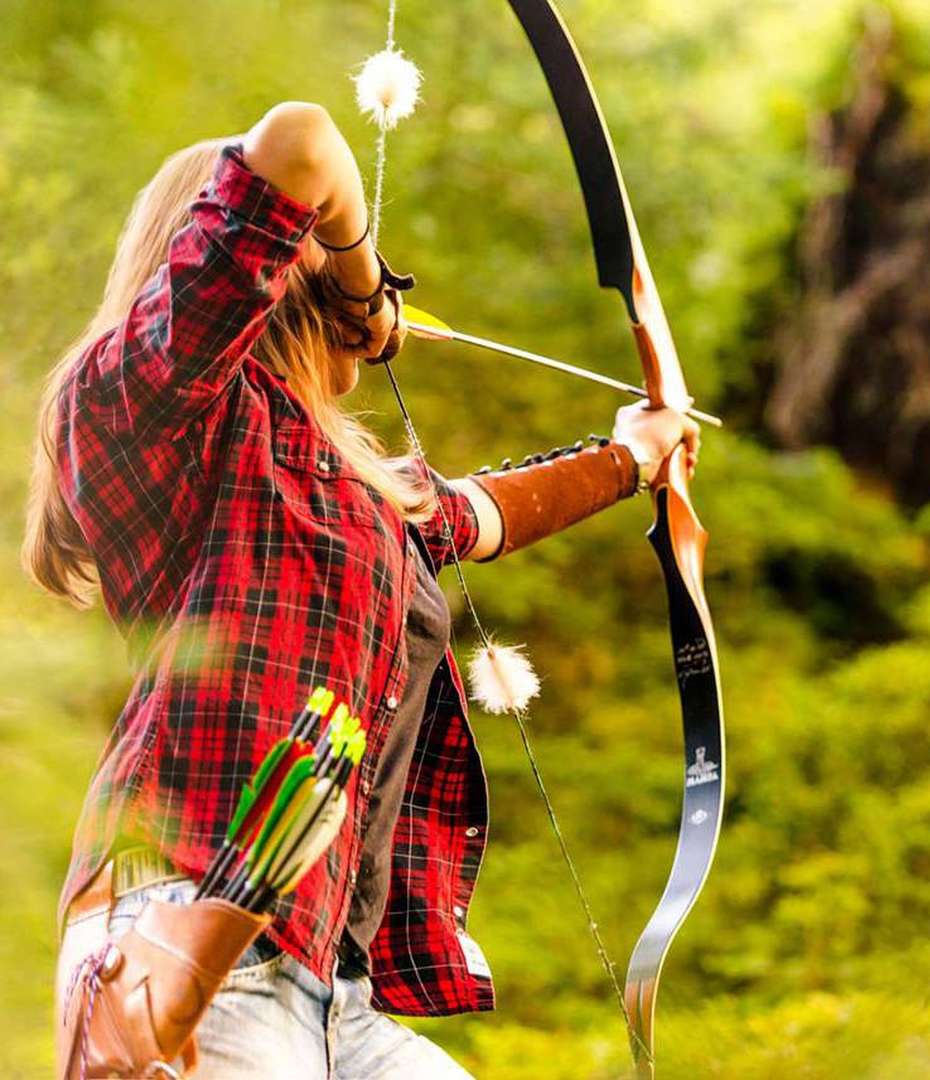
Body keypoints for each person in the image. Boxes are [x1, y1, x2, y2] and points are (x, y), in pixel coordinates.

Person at [25, 100, 699, 1078]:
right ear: (280, 271)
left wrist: (634, 457)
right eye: (337, 256)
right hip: (181, 952)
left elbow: (473, 516)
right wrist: (360, 276)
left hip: (331, 988)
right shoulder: (154, 411)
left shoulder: (346, 491)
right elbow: (300, 141)